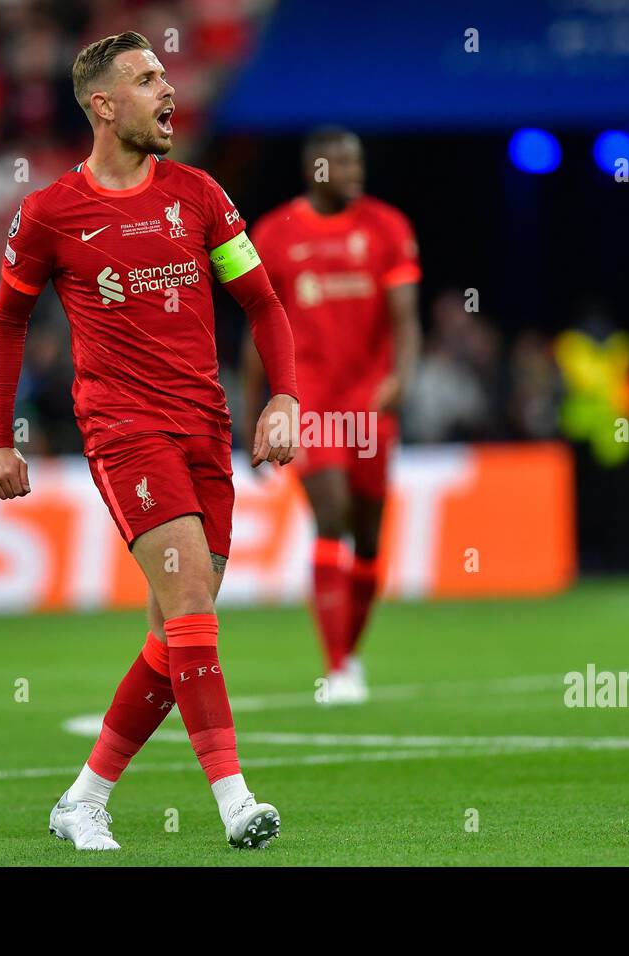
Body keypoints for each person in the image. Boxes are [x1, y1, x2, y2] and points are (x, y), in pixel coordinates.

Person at [0, 32, 298, 851]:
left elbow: (263, 303)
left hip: (206, 429)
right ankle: (235, 802)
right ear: (102, 104)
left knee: (172, 636)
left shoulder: (199, 195)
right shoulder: (50, 213)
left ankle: (83, 799)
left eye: (165, 75)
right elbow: (7, 321)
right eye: (147, 78)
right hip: (125, 433)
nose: (168, 90)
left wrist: (285, 398)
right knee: (191, 601)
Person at [243, 128, 420, 704]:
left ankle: (351, 656)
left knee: (368, 538)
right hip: (308, 400)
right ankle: (337, 666)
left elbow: (405, 319)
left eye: (358, 161)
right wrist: (255, 415)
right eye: (342, 162)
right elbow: (258, 332)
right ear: (314, 168)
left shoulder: (387, 227)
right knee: (331, 515)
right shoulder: (273, 234)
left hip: (368, 402)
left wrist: (402, 375)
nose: (354, 170)